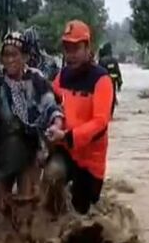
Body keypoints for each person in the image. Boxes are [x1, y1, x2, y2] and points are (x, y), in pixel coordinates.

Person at [0, 32, 63, 214]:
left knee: (27, 204)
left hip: (30, 150)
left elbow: (51, 108)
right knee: (1, 205)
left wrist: (56, 126)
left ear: (25, 57)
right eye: (6, 55)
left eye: (14, 54)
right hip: (3, 150)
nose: (9, 60)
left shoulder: (37, 79)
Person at [44, 20, 115, 215]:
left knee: (82, 214)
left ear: (87, 48)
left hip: (91, 161)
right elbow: (52, 100)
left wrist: (67, 136)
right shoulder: (63, 75)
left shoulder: (102, 80)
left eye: (76, 48)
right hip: (65, 151)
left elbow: (100, 123)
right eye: (67, 48)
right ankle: (50, 224)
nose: (71, 54)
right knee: (51, 177)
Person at [98, 42, 123, 113]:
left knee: (104, 98)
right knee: (112, 97)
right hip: (113, 82)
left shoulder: (102, 60)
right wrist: (119, 83)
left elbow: (98, 73)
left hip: (104, 83)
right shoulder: (114, 60)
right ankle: (111, 113)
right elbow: (118, 73)